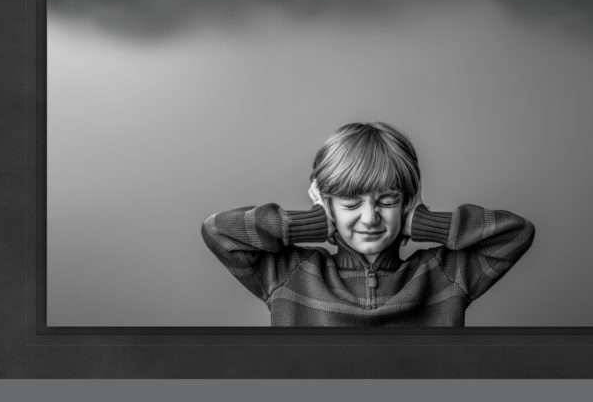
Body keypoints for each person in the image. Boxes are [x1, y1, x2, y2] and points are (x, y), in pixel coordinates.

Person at [201, 121, 535, 326]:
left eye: (387, 201)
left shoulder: (444, 275)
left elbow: (514, 232)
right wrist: (314, 222)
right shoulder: (289, 274)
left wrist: (422, 222)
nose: (370, 217)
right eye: (350, 203)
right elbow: (220, 231)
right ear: (326, 202)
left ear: (407, 201)